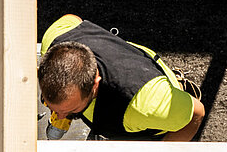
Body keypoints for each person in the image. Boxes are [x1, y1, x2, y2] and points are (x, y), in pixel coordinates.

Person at [37, 14, 205, 141]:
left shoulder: (144, 105)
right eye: (50, 105)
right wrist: (67, 108)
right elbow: (71, 19)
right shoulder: (56, 39)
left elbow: (197, 113)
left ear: (95, 84)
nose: (59, 116)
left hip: (150, 102)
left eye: (71, 110)